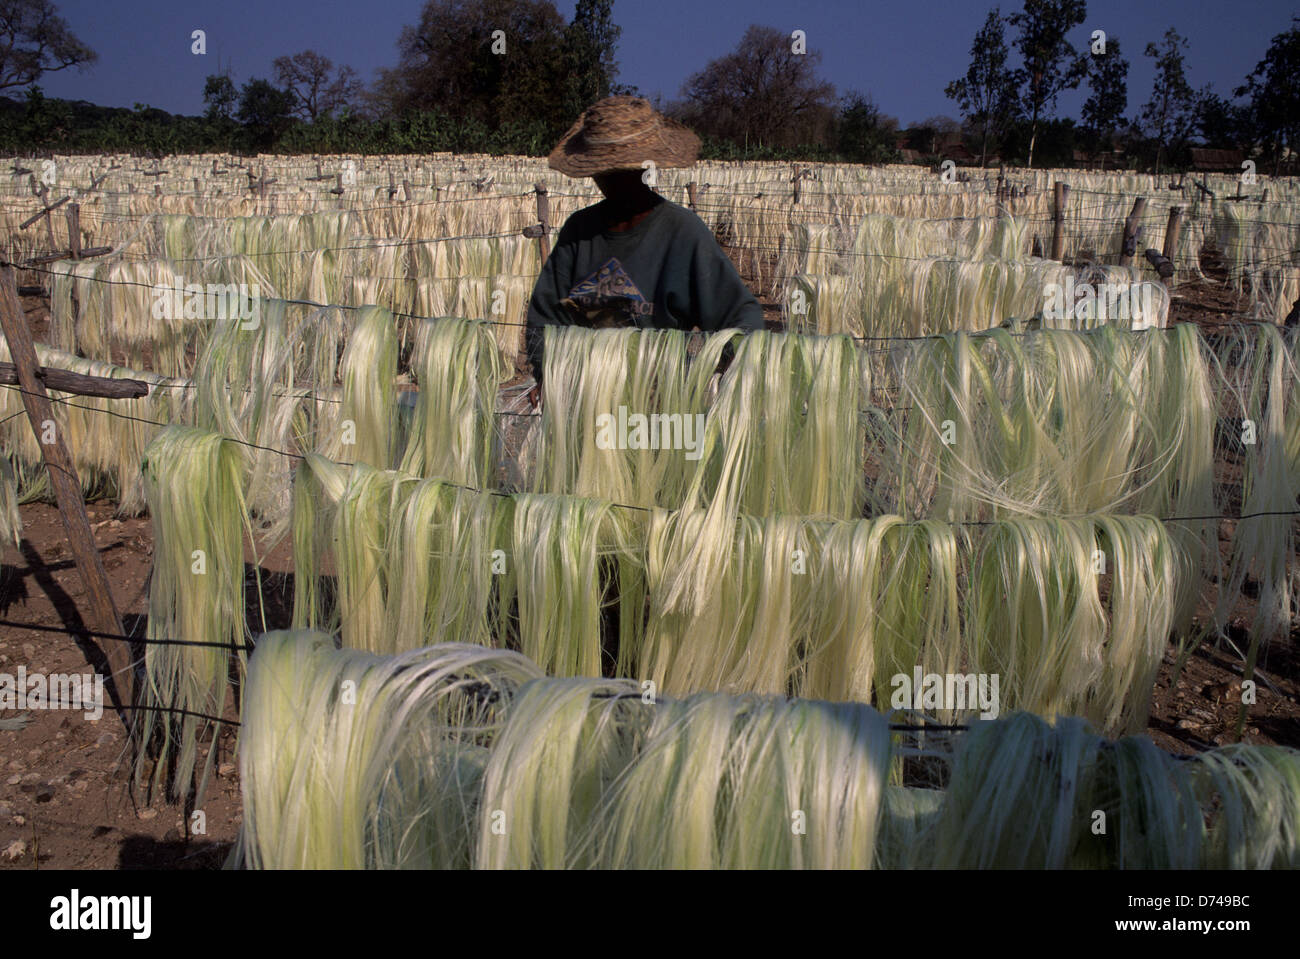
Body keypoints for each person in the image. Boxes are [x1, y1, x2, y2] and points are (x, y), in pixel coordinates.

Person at [525, 96, 763, 404]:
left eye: (623, 171)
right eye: (606, 172)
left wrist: (714, 372)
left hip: (661, 406)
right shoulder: (579, 232)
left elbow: (741, 316)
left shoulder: (682, 233)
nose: (612, 182)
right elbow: (546, 319)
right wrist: (549, 374)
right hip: (584, 404)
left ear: (644, 168)